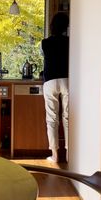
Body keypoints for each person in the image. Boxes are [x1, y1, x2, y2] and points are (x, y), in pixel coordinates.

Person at [41, 12, 69, 162]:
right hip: (67, 80)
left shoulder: (45, 42)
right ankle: (71, 154)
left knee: (52, 118)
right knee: (68, 117)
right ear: (66, 26)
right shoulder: (70, 41)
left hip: (50, 81)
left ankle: (55, 155)